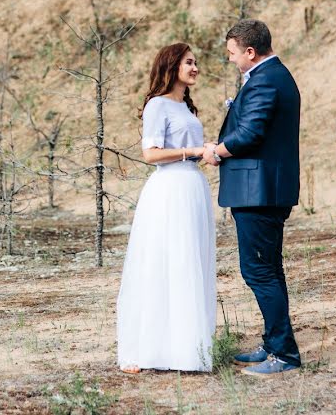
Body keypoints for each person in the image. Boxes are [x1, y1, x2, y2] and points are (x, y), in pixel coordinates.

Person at [203, 19, 302, 376]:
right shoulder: (274, 77)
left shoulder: (266, 81)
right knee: (268, 270)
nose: (230, 60)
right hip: (264, 190)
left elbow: (250, 133)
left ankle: (285, 354)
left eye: (232, 53)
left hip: (260, 193)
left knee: (259, 271)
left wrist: (218, 150)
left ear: (249, 51)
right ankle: (274, 343)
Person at [117, 43, 216, 374]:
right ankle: (151, 347)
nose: (195, 67)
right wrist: (194, 151)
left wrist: (207, 151)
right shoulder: (157, 106)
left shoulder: (186, 109)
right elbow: (151, 154)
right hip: (170, 190)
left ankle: (186, 348)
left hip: (192, 188)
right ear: (172, 65)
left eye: (196, 62)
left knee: (190, 263)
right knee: (166, 262)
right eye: (189, 62)